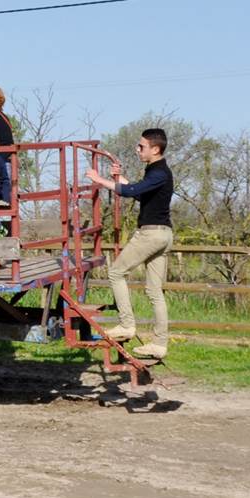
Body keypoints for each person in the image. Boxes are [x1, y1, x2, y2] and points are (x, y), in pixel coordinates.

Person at [86, 127, 174, 359]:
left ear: (155, 149)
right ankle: (159, 345)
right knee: (154, 291)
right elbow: (139, 192)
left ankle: (126, 324)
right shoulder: (157, 172)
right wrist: (118, 178)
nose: (137, 149)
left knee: (116, 273)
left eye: (141, 146)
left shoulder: (159, 172)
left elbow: (130, 191)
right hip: (163, 235)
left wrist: (99, 180)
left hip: (151, 234)